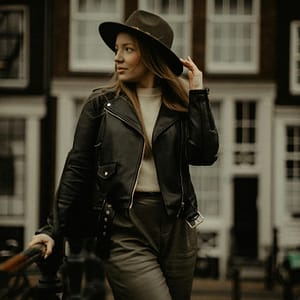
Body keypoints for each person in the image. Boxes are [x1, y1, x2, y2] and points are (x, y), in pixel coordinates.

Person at [29, 10, 219, 300]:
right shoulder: (101, 105)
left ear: (150, 55)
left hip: (178, 229)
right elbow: (76, 168)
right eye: (117, 49)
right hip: (125, 229)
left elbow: (204, 154)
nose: (117, 57)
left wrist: (198, 95)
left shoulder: (179, 106)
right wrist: (51, 228)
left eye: (128, 49)